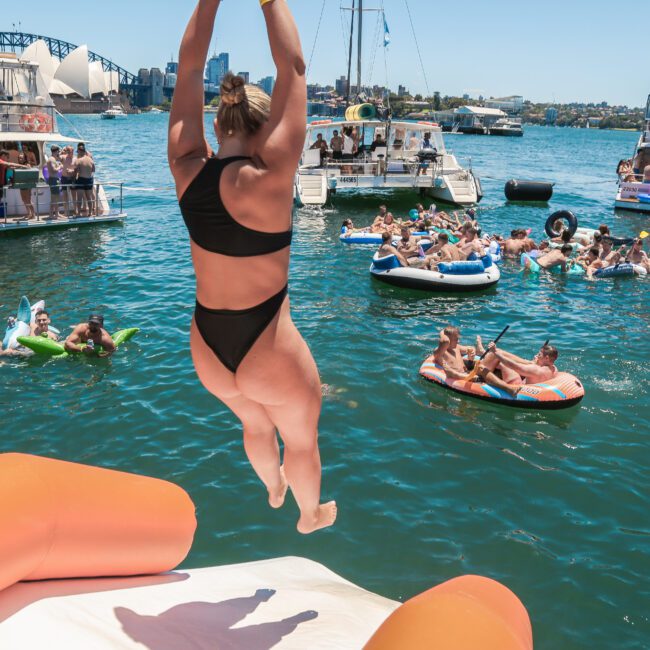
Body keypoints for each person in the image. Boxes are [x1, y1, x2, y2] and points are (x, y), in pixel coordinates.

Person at [168, 0, 335, 534]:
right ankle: (308, 514)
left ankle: (272, 488)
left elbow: (189, 66)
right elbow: (296, 69)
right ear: (266, 127)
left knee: (253, 421)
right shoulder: (273, 173)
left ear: (218, 121)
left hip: (207, 345)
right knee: (302, 438)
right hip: (267, 340)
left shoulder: (186, 166)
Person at [432, 326, 520, 397]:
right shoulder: (439, 352)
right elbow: (444, 341)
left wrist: (472, 352)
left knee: (495, 353)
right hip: (463, 377)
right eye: (456, 339)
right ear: (448, 340)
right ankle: (508, 389)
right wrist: (469, 376)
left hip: (469, 372)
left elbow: (469, 348)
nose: (458, 341)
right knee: (481, 368)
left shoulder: (456, 347)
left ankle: (524, 365)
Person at [481, 340, 559, 386]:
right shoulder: (554, 369)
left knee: (499, 359)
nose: (537, 356)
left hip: (516, 386)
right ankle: (483, 352)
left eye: (539, 354)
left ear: (547, 358)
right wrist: (536, 363)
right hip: (528, 382)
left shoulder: (535, 370)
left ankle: (480, 375)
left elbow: (512, 365)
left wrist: (495, 352)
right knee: (499, 356)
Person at [74, 142, 96, 217]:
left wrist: (74, 179)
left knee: (79, 198)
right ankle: (90, 213)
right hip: (89, 180)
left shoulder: (78, 160)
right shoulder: (90, 159)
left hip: (81, 180)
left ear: (80, 151)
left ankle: (78, 213)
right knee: (89, 197)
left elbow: (76, 171)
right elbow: (93, 170)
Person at [45, 145, 65, 220]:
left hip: (54, 179)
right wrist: (60, 167)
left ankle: (57, 213)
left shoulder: (52, 158)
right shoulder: (52, 159)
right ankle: (51, 214)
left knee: (56, 198)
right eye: (58, 152)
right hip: (53, 180)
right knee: (54, 198)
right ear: (56, 151)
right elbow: (53, 170)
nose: (58, 153)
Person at [60, 146, 78, 215]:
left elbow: (77, 168)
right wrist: (62, 150)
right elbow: (58, 157)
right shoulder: (64, 157)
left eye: (72, 151)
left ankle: (75, 210)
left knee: (74, 195)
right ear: (67, 151)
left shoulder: (75, 158)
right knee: (65, 195)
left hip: (72, 178)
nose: (71, 153)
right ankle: (66, 211)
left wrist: (72, 171)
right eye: (69, 151)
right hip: (64, 178)